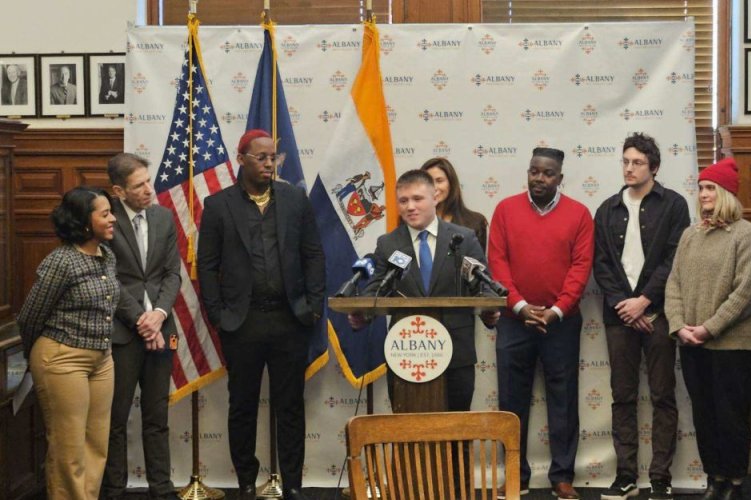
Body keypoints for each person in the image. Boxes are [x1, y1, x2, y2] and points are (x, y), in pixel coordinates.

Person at [197, 129, 325, 500]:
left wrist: (314, 306)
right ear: (241, 159)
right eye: (261, 158)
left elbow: (313, 254)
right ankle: (246, 484)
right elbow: (207, 265)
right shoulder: (219, 205)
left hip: (290, 320)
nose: (269, 164)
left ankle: (294, 484)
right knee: (243, 407)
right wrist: (218, 315)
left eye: (274, 157)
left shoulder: (294, 199)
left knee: (290, 407)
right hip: (243, 322)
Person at [488, 147, 594, 500]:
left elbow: (581, 269)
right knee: (511, 401)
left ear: (560, 178)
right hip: (514, 321)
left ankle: (562, 477)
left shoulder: (579, 214)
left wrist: (557, 310)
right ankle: (515, 476)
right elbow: (497, 263)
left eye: (548, 173)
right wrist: (519, 307)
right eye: (534, 171)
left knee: (563, 401)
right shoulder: (505, 209)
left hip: (560, 323)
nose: (539, 178)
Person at [349, 169, 500, 411]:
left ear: (435, 197)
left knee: (455, 435)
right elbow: (376, 289)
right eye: (403, 200)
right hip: (406, 353)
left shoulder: (464, 238)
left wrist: (490, 311)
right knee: (411, 436)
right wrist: (362, 314)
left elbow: (483, 284)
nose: (410, 206)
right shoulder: (388, 244)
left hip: (455, 353)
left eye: (418, 199)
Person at [593, 133, 690, 500]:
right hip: (620, 316)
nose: (629, 168)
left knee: (664, 395)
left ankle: (661, 476)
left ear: (654, 167)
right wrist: (626, 306)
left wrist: (646, 300)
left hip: (660, 313)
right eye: (625, 161)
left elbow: (674, 259)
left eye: (636, 162)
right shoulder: (607, 210)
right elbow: (601, 265)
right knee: (623, 396)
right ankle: (626, 475)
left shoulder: (675, 205)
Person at [665, 158, 751, 500]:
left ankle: (735, 482)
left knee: (730, 418)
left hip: (731, 346)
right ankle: (715, 478)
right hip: (692, 345)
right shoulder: (690, 235)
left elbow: (746, 292)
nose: (703, 194)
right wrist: (679, 326)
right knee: (705, 416)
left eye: (710, 188)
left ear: (726, 193)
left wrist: (708, 328)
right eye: (702, 188)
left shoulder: (746, 234)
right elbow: (673, 284)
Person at [17, 186, 118, 500]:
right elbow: (30, 316)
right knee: (68, 450)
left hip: (102, 359)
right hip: (62, 360)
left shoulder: (107, 255)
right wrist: (40, 357)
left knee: (96, 446)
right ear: (84, 222)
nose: (113, 219)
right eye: (105, 214)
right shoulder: (60, 262)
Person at [101, 153, 182, 500]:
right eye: (139, 186)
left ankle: (161, 489)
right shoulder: (106, 221)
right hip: (123, 333)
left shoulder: (164, 217)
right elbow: (110, 279)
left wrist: (160, 315)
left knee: (156, 415)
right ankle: (115, 489)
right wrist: (140, 321)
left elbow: (171, 274)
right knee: (115, 418)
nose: (149, 190)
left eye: (149, 181)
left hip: (161, 329)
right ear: (119, 191)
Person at [421, 157, 489, 252]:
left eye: (439, 181)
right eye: (428, 182)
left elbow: (477, 264)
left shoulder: (475, 222)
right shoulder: (413, 221)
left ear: (451, 183)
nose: (434, 187)